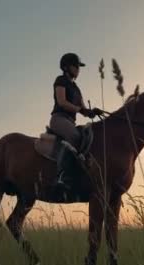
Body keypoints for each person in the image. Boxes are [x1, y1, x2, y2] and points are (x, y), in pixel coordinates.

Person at [50, 52, 102, 189]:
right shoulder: (60, 80)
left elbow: (82, 108)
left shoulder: (76, 88)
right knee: (74, 136)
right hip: (59, 119)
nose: (78, 69)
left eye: (79, 67)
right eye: (76, 66)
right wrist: (79, 109)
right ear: (67, 67)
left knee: (87, 136)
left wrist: (91, 112)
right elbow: (62, 102)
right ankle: (61, 176)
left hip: (70, 121)